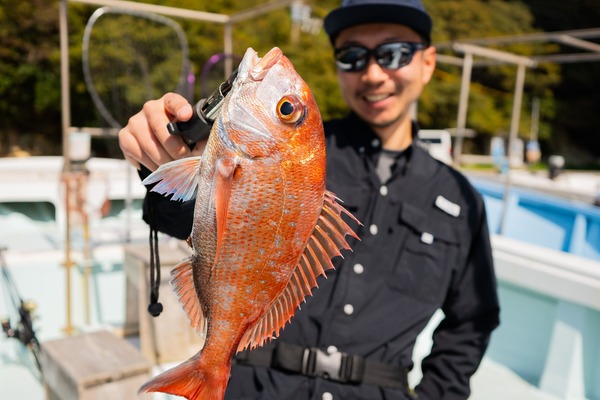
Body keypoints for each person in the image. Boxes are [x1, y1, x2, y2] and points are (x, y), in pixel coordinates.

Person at [119, 0, 500, 398]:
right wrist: (161, 160)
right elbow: (182, 219)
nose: (372, 73)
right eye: (352, 56)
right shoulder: (299, 151)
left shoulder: (462, 202)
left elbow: (472, 322)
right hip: (255, 384)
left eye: (394, 53)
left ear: (428, 62)